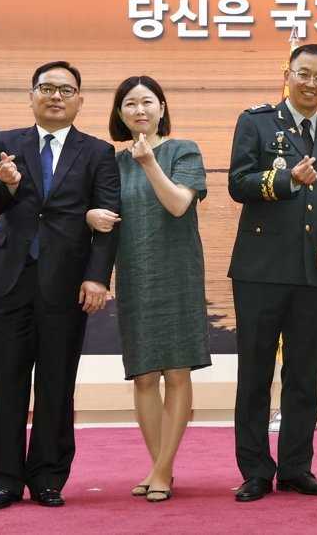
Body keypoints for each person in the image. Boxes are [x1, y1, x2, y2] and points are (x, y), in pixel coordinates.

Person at [0, 61, 121, 510]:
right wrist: (6, 184)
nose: (56, 96)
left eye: (66, 90)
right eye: (47, 88)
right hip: (7, 280)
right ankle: (4, 480)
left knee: (57, 383)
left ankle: (48, 478)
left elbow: (108, 220)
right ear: (32, 95)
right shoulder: (6, 142)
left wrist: (97, 276)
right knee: (5, 383)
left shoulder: (98, 152)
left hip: (67, 283)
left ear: (79, 100)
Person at [227, 43, 317, 502]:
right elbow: (238, 182)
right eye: (304, 73)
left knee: (304, 376)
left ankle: (297, 468)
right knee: (255, 375)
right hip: (260, 270)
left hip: (311, 272)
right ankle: (256, 470)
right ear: (288, 73)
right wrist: (287, 180)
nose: (310, 84)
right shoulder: (257, 122)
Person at [85, 76, 212, 503]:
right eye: (130, 103)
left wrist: (149, 163)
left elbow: (177, 204)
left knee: (176, 371)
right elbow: (94, 211)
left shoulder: (184, 150)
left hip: (178, 272)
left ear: (162, 107)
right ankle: (162, 467)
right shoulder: (110, 162)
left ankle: (161, 470)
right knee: (142, 375)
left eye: (147, 102)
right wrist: (89, 215)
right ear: (119, 113)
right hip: (135, 273)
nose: (139, 110)